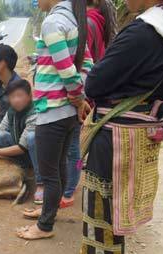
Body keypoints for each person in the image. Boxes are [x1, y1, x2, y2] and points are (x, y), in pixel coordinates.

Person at [75, 0, 163, 254]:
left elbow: (95, 84)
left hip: (116, 132)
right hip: (139, 131)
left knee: (104, 201)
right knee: (120, 198)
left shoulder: (144, 31)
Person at [17, 0, 93, 240]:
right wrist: (78, 98)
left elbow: (65, 69)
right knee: (58, 168)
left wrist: (77, 97)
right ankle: (49, 211)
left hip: (53, 111)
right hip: (67, 113)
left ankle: (45, 226)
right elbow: (88, 65)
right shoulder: (75, 21)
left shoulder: (53, 22)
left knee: (50, 173)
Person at [59, 0, 117, 208]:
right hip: (91, 91)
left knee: (75, 146)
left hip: (83, 93)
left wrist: (76, 93)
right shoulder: (98, 21)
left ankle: (68, 192)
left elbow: (81, 60)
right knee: (78, 144)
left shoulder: (87, 23)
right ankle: (71, 185)